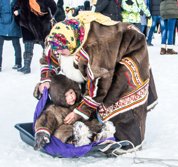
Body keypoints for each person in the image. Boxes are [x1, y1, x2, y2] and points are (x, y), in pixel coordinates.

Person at [35, 11, 158, 149]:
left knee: (115, 95)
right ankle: (97, 123)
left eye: (61, 51)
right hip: (102, 55)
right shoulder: (60, 38)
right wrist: (45, 79)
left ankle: (126, 139)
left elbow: (100, 83)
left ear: (71, 45)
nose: (58, 53)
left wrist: (80, 112)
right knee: (87, 89)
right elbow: (48, 58)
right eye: (56, 50)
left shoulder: (95, 48)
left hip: (130, 49)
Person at [34, 74, 111, 150]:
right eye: (66, 96)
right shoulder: (55, 109)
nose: (71, 97)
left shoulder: (80, 102)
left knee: (94, 123)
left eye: (71, 92)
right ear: (59, 98)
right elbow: (46, 119)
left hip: (84, 126)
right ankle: (76, 140)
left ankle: (100, 135)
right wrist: (42, 132)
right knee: (60, 133)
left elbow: (90, 109)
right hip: (69, 130)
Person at [13, 0, 57, 74]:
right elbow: (15, 9)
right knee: (28, 48)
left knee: (46, 48)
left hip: (41, 27)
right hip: (27, 27)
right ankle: (26, 67)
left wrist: (46, 17)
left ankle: (51, 66)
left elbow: (53, 7)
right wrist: (19, 17)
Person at [0, 0, 22, 72]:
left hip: (14, 24)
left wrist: (18, 11)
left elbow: (24, 8)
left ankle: (18, 63)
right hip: (2, 24)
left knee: (16, 44)